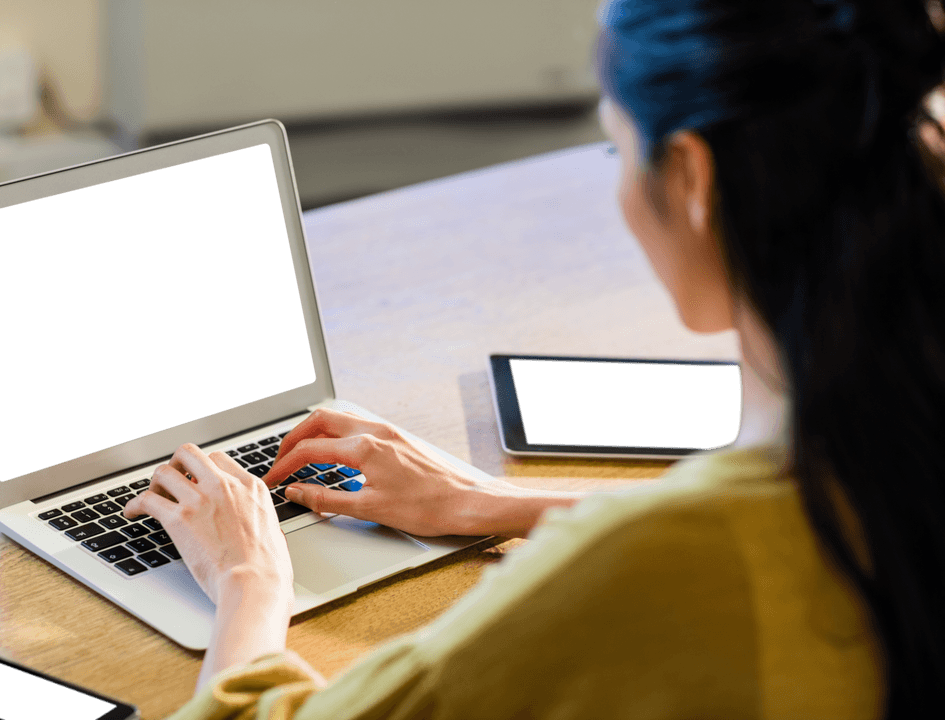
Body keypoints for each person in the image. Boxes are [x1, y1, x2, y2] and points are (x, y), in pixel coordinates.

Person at [123, 0, 945, 716]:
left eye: (616, 150)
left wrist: (248, 575)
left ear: (693, 180)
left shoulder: (657, 564)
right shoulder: (886, 456)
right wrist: (492, 502)